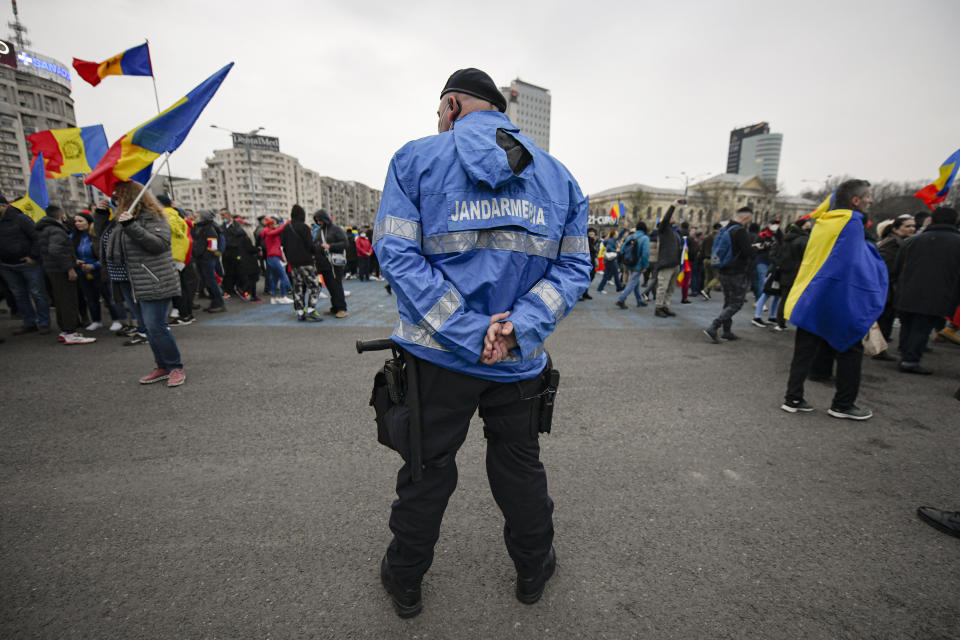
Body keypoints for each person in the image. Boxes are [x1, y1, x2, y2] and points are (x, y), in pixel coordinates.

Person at [373, 68, 590, 618]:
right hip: (517, 361)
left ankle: (405, 580)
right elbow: (574, 267)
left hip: (436, 360)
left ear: (451, 106)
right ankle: (533, 567)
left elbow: (397, 254)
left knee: (427, 470)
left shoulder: (415, 159)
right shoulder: (559, 176)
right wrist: (515, 326)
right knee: (519, 467)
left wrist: (468, 332)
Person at [779, 179, 887, 420]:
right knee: (850, 350)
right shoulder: (851, 224)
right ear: (855, 200)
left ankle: (793, 398)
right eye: (868, 196)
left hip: (811, 295)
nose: (871, 200)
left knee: (804, 351)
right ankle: (843, 404)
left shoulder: (824, 222)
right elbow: (852, 266)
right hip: (836, 298)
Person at [109, 181, 185, 386]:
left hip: (154, 278)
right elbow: (107, 242)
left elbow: (158, 244)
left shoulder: (154, 216)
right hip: (132, 280)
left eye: (119, 196)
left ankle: (175, 366)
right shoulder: (122, 218)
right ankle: (162, 365)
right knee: (147, 329)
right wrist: (101, 217)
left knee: (156, 326)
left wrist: (130, 226)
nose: (116, 200)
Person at [892, 207, 960, 375]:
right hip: (938, 292)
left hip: (906, 290)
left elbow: (897, 268)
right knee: (922, 327)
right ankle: (910, 360)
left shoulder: (911, 241)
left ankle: (906, 352)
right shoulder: (957, 242)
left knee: (908, 323)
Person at [36, 205, 95, 344]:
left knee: (60, 300)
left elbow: (56, 250)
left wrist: (73, 260)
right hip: (60, 270)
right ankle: (71, 332)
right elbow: (56, 250)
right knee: (68, 301)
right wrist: (70, 268)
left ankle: (65, 330)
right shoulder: (57, 230)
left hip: (52, 269)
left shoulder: (45, 228)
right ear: (62, 216)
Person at [0, 191, 51, 336]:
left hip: (29, 264)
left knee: (38, 293)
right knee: (19, 295)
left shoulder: (20, 218)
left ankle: (44, 323)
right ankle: (29, 322)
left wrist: (33, 256)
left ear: (4, 205)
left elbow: (37, 238)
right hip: (7, 265)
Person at [703, 207, 757, 342]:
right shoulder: (740, 231)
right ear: (745, 218)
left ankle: (727, 332)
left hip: (723, 270)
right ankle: (714, 326)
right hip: (736, 272)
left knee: (728, 302)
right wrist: (756, 248)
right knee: (737, 303)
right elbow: (747, 252)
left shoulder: (725, 229)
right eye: (749, 219)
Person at [873, 214, 916, 359]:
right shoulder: (893, 243)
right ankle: (878, 350)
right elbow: (886, 266)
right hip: (888, 287)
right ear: (897, 228)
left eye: (913, 226)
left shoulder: (898, 241)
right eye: (908, 226)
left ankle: (879, 348)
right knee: (885, 319)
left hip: (890, 286)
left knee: (886, 318)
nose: (912, 229)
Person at [72, 211, 123, 332]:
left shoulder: (96, 236)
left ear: (89, 222)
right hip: (83, 271)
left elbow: (104, 255)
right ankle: (96, 320)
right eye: (75, 221)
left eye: (80, 221)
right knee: (90, 297)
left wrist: (94, 265)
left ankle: (116, 320)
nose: (77, 224)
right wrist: (76, 261)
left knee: (108, 296)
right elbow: (70, 252)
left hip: (99, 271)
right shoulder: (74, 237)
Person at [281, 205, 322, 322]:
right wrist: (317, 249)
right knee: (315, 285)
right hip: (306, 262)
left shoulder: (286, 228)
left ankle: (300, 312)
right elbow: (310, 246)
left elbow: (283, 245)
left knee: (297, 287)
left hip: (293, 263)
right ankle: (311, 309)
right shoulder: (304, 228)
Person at [312, 209, 348, 318]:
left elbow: (345, 243)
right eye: (317, 220)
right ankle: (335, 307)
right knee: (330, 286)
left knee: (336, 285)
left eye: (320, 220)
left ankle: (342, 308)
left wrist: (330, 246)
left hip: (334, 263)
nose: (319, 222)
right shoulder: (318, 231)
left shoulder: (336, 230)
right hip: (323, 263)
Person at [191, 209, 226, 313]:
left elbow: (212, 245)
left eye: (197, 215)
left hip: (206, 259)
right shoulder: (199, 227)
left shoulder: (209, 228)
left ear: (203, 217)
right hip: (200, 258)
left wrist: (207, 256)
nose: (195, 216)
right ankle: (214, 302)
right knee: (206, 281)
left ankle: (219, 303)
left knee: (211, 281)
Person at [653, 200, 683, 317]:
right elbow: (665, 219)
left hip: (675, 263)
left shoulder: (674, 232)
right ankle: (658, 307)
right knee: (663, 287)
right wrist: (673, 206)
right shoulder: (663, 229)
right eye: (670, 216)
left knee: (671, 288)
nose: (672, 217)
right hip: (666, 263)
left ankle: (665, 306)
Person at [616, 222, 650, 309]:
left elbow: (622, 249)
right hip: (638, 264)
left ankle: (639, 300)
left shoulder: (630, 237)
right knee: (633, 281)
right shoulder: (645, 238)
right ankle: (621, 299)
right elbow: (645, 254)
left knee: (636, 282)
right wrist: (645, 266)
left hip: (629, 262)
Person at [259, 217, 293, 303]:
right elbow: (278, 231)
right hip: (274, 257)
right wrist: (287, 223)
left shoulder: (268, 232)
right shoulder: (269, 232)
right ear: (270, 224)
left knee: (275, 278)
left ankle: (273, 298)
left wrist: (281, 257)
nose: (276, 225)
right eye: (274, 224)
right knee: (283, 276)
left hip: (273, 257)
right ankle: (283, 295)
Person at [596, 229, 622, 293]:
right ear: (614, 235)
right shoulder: (612, 240)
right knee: (614, 274)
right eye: (616, 234)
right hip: (611, 259)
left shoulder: (610, 240)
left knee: (608, 274)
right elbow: (609, 248)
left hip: (609, 259)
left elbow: (605, 244)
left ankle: (601, 287)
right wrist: (616, 250)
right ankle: (619, 287)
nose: (617, 235)